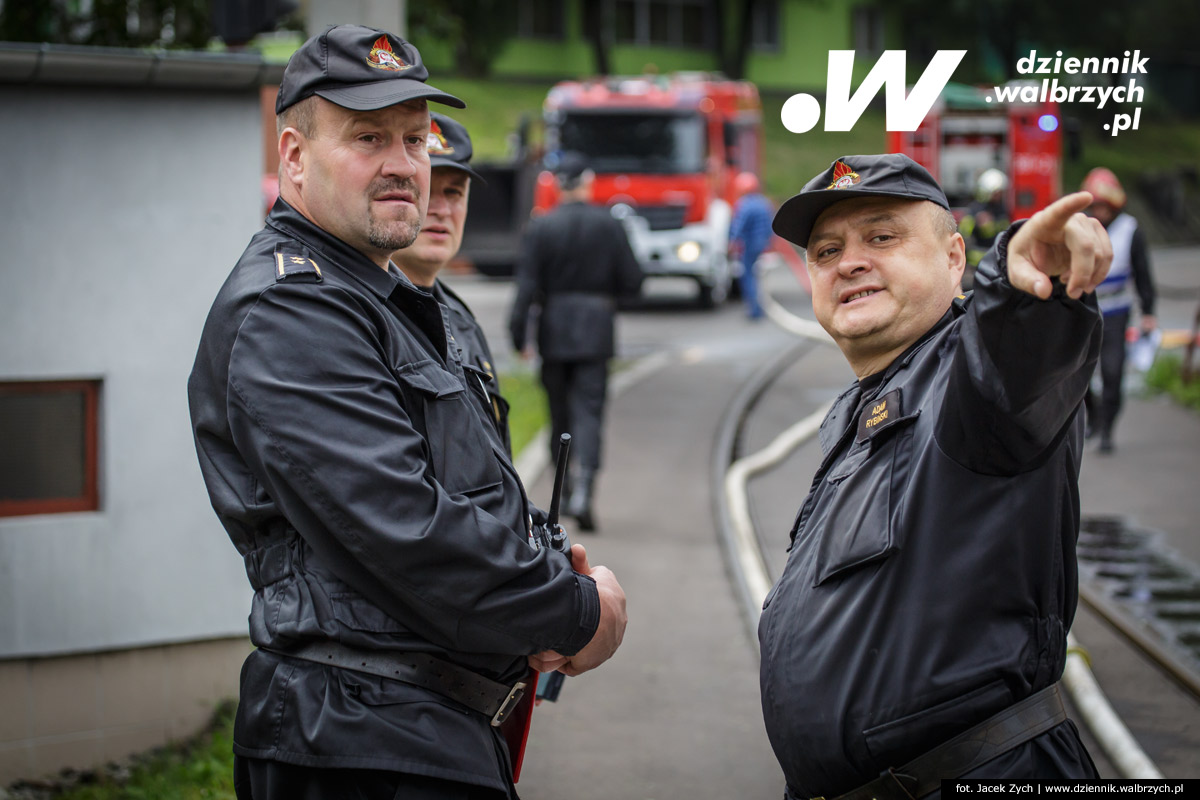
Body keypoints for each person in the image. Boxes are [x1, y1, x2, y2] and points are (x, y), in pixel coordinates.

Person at [187, 26, 626, 800]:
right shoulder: (293, 308)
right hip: (361, 742)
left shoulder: (384, 298)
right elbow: (403, 526)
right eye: (367, 137)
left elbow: (460, 483)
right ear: (293, 157)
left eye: (415, 139)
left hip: (413, 733)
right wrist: (575, 611)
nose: (403, 164)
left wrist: (542, 558)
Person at [759, 154, 1111, 800]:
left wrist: (1029, 279)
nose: (849, 260)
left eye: (882, 237)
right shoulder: (865, 407)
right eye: (826, 250)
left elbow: (1014, 350)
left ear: (954, 259)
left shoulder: (970, 384)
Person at [507, 152, 644, 532]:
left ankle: (563, 492)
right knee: (590, 412)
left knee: (558, 415)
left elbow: (526, 288)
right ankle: (585, 491)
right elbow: (633, 281)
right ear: (587, 182)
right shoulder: (609, 226)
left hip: (554, 330)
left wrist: (519, 335)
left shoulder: (541, 228)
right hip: (596, 330)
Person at [392, 113, 513, 451]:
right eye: (428, 190)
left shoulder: (461, 320)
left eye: (455, 193)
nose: (442, 209)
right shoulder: (370, 314)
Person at [1080, 167, 1157, 454]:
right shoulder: (1082, 226)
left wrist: (1149, 311)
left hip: (1116, 312)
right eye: (1095, 205)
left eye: (1104, 205)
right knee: (1079, 373)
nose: (1099, 211)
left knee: (1113, 373)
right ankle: (1095, 416)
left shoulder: (1130, 229)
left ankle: (1108, 429)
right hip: (1084, 311)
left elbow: (1143, 273)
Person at [728, 171, 774, 319]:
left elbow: (738, 226)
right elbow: (770, 226)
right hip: (761, 244)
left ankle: (754, 310)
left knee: (747, 276)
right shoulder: (763, 202)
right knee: (756, 275)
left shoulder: (744, 205)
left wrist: (731, 242)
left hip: (749, 245)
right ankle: (759, 307)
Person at [958, 167, 1012, 290]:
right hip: (976, 265)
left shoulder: (1001, 209)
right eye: (996, 193)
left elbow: (1004, 230)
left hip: (996, 262)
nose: (999, 196)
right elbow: (964, 234)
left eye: (1000, 193)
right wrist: (977, 224)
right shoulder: (975, 210)